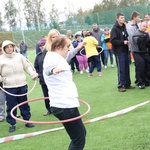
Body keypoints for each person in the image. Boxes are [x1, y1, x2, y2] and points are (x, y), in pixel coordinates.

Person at [43, 35, 86, 150]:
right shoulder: (51, 59)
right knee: (78, 140)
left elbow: (67, 57)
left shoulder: (57, 57)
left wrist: (77, 48)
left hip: (66, 103)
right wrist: (53, 70)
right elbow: (47, 70)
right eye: (67, 46)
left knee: (80, 136)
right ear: (58, 46)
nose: (69, 48)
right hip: (64, 105)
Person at [0, 40, 38, 132]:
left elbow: (27, 67)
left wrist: (33, 74)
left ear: (13, 47)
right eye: (7, 47)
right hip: (9, 87)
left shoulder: (19, 56)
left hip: (22, 85)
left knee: (24, 104)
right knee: (11, 105)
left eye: (11, 46)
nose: (9, 49)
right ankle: (12, 124)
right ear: (4, 49)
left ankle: (27, 120)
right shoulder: (1, 59)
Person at [110, 13, 135, 92]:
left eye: (123, 17)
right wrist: (122, 42)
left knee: (127, 67)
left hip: (125, 50)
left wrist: (127, 41)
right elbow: (113, 40)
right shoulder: (114, 28)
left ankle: (127, 84)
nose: (123, 19)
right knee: (121, 68)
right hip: (119, 51)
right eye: (121, 18)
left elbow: (125, 36)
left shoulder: (124, 27)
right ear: (117, 19)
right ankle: (120, 85)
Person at [34, 38, 51, 116]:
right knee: (46, 95)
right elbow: (36, 67)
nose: (42, 46)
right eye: (40, 45)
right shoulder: (38, 56)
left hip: (52, 79)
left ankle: (57, 108)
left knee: (54, 94)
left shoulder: (51, 54)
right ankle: (49, 109)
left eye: (43, 45)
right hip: (43, 80)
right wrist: (39, 75)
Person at [132, 20, 150, 89]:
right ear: (140, 26)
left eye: (146, 26)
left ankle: (147, 81)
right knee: (140, 68)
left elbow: (148, 44)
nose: (144, 28)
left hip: (146, 53)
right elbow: (138, 42)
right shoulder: (136, 33)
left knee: (147, 68)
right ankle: (140, 83)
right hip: (138, 53)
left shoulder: (146, 34)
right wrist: (144, 37)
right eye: (143, 26)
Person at [0, 42, 5, 122]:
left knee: (11, 100)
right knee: (1, 100)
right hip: (1, 84)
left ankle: (13, 113)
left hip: (8, 83)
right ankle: (1, 115)